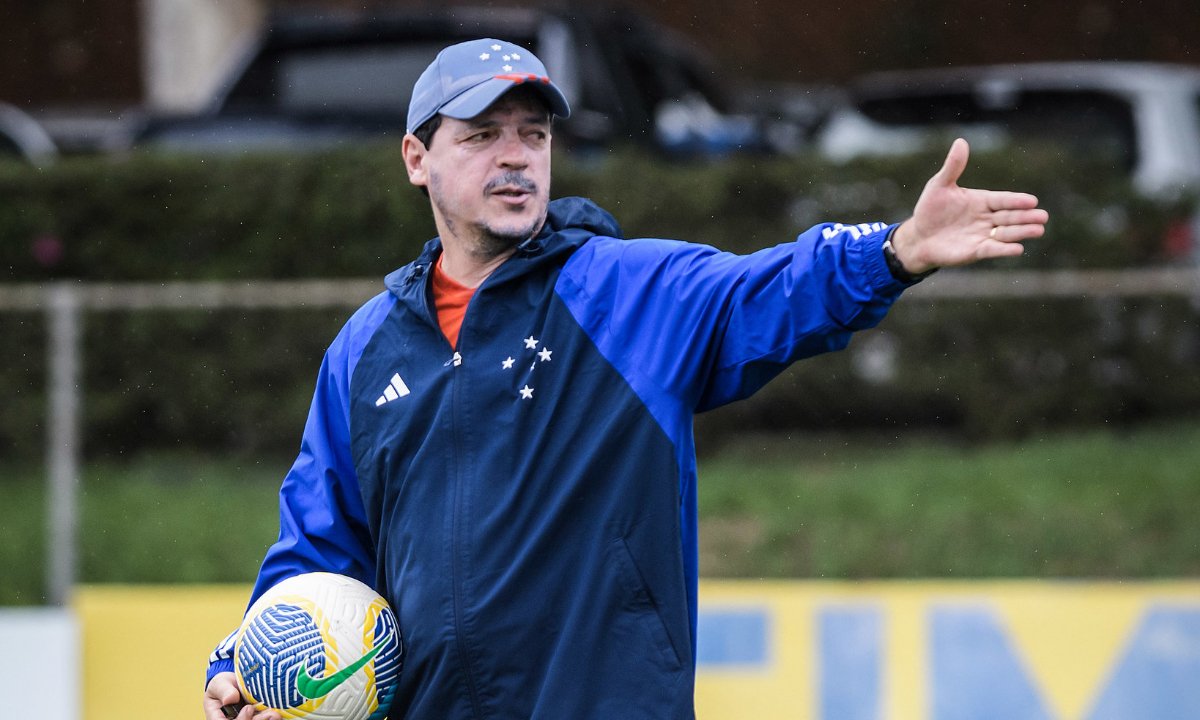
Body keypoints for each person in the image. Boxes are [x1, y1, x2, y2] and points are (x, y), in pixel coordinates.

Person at [203, 38, 1048, 720]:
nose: (515, 157)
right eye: (482, 135)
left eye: (533, 134)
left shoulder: (624, 293)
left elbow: (770, 291)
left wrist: (893, 252)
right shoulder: (364, 349)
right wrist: (248, 664)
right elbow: (318, 547)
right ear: (417, 158)